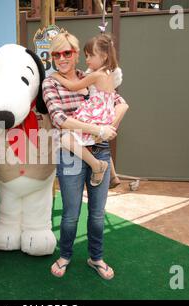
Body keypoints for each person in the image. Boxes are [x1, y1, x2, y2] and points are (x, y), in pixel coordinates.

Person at [42, 31, 129, 280]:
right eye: (56, 54)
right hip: (71, 154)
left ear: (77, 54)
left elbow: (120, 102)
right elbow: (60, 119)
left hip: (99, 148)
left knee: (98, 213)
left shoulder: (90, 76)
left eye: (67, 52)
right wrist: (97, 129)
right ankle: (66, 255)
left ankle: (96, 257)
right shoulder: (50, 82)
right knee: (70, 213)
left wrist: (110, 127)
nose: (62, 58)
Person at [50, 33, 128, 187]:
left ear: (104, 56)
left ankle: (96, 165)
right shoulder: (107, 74)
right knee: (93, 140)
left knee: (66, 139)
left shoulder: (95, 75)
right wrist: (107, 127)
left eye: (91, 56)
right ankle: (112, 174)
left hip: (95, 114)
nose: (87, 60)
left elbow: (73, 87)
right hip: (104, 115)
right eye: (56, 55)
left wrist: (56, 76)